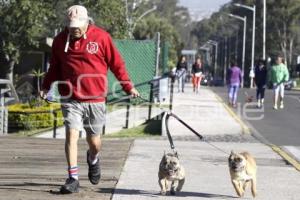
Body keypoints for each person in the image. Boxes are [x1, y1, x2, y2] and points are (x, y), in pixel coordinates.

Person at [40, 5, 139, 194]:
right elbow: (54, 66)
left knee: (94, 142)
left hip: (95, 98)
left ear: (87, 21)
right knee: (71, 134)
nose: (74, 29)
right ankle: (73, 178)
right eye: (70, 25)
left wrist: (128, 86)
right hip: (70, 97)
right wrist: (46, 86)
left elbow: (117, 64)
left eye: (77, 25)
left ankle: (93, 158)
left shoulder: (101, 38)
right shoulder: (60, 41)